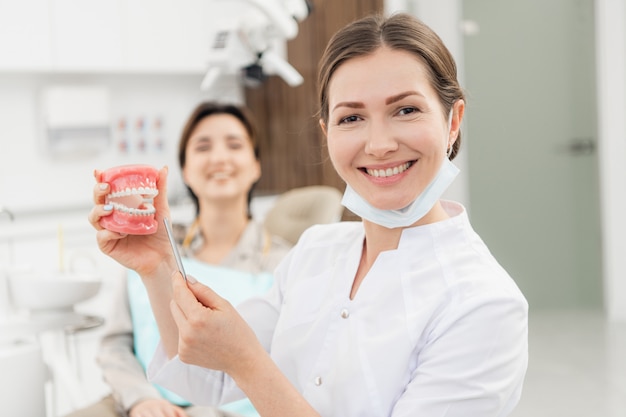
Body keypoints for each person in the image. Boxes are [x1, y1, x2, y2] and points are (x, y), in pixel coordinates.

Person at [89, 12, 528, 417]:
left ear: (453, 120)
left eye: (406, 110)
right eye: (351, 118)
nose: (378, 144)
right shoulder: (316, 251)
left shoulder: (482, 304)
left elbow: (238, 366)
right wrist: (158, 265)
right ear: (327, 132)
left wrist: (249, 364)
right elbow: (208, 377)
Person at [72, 102, 292, 417]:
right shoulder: (152, 246)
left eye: (234, 144)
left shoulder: (284, 264)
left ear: (256, 165)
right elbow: (116, 346)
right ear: (185, 170)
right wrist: (141, 399)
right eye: (203, 147)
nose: (219, 158)